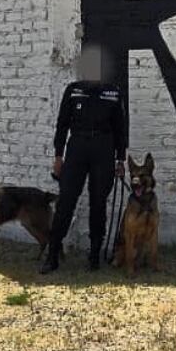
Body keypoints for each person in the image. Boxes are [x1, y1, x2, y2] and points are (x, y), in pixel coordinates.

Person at [41, 44, 127, 273]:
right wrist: (58, 156)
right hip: (77, 147)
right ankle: (52, 255)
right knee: (66, 202)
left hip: (103, 148)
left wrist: (121, 160)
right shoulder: (73, 90)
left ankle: (94, 255)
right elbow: (61, 126)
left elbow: (120, 129)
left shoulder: (113, 92)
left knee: (98, 204)